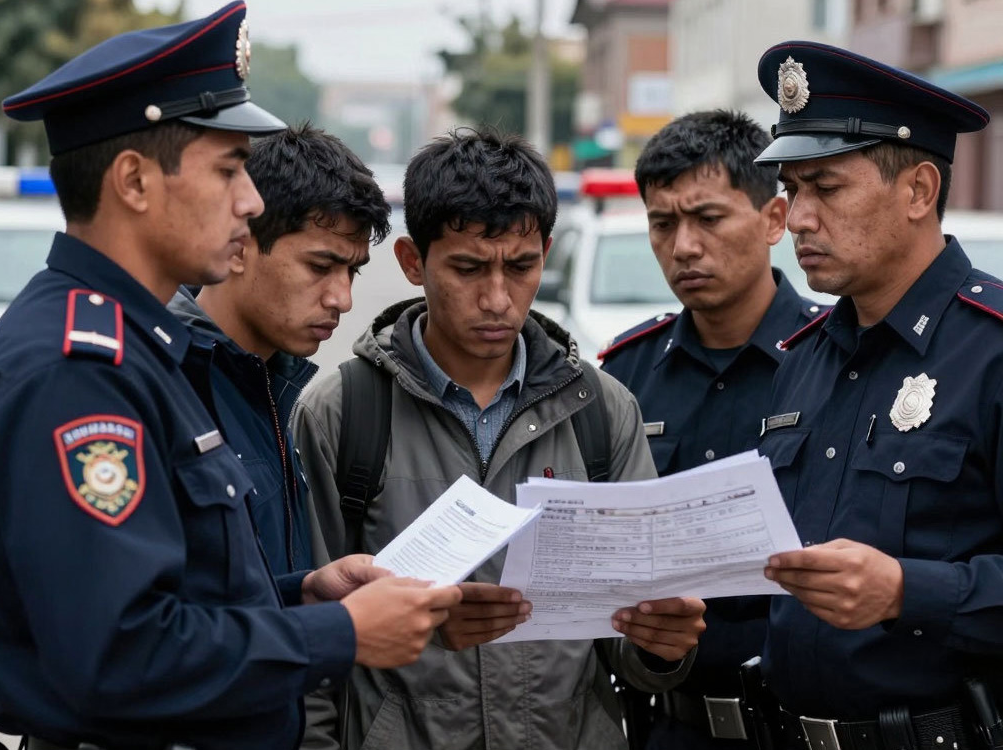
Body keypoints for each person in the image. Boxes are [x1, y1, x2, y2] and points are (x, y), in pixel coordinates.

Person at [0, 5, 460, 750]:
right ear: (134, 181)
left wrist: (300, 595)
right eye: (230, 169)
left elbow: (171, 596)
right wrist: (334, 634)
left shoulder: (142, 347)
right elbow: (118, 655)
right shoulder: (77, 369)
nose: (251, 201)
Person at [292, 127, 708, 750]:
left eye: (521, 267)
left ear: (546, 252)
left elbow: (629, 646)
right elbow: (311, 642)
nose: (496, 298)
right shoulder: (343, 414)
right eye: (467, 267)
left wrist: (661, 644)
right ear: (412, 262)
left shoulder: (602, 412)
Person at [750, 41, 999, 750]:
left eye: (825, 189)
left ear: (919, 191)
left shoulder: (993, 353)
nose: (796, 218)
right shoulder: (802, 358)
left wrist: (905, 592)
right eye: (792, 189)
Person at [599, 109, 824, 750]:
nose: (684, 247)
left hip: (799, 727)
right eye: (662, 223)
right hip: (669, 723)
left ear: (774, 220)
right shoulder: (623, 375)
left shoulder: (831, 361)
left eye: (708, 218)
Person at [168, 124, 391, 577]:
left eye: (353, 272)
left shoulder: (273, 386)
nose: (342, 299)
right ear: (238, 246)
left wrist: (309, 593)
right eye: (320, 266)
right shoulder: (166, 380)